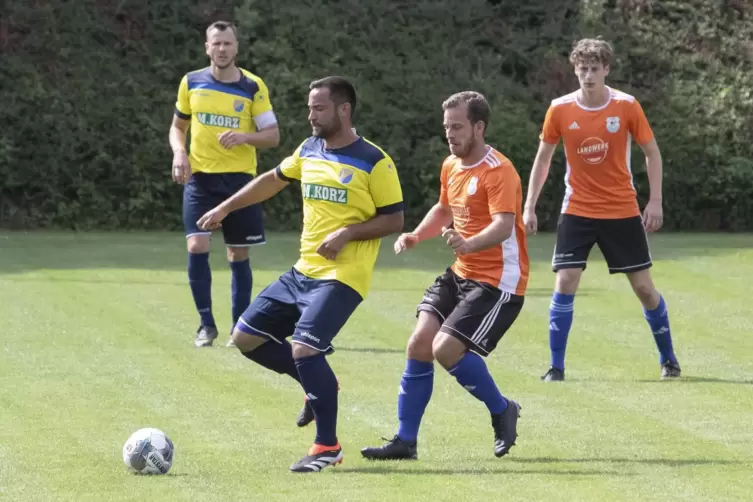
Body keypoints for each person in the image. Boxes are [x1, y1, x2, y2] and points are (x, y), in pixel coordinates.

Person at [197, 76, 404, 472]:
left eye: (319, 108)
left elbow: (394, 218)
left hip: (342, 276)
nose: (311, 115)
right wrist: (226, 208)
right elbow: (272, 181)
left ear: (343, 110)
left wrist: (348, 233)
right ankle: (317, 387)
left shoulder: (374, 160)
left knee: (305, 349)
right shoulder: (309, 149)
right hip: (302, 271)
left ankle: (328, 447)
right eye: (310, 107)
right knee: (245, 337)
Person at [360, 91, 529, 461]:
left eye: (457, 126)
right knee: (420, 344)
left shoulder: (499, 170)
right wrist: (416, 235)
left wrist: (468, 244)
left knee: (445, 349)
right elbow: (444, 208)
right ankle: (405, 441)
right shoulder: (451, 164)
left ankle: (502, 409)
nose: (450, 134)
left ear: (478, 127)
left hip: (497, 280)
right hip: (461, 272)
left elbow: (503, 227)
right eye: (446, 127)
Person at [522, 38, 681, 381]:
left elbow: (652, 152)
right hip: (577, 208)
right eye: (583, 69)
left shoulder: (626, 106)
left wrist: (655, 201)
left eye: (595, 68)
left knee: (643, 288)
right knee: (565, 281)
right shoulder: (560, 109)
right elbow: (544, 158)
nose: (589, 75)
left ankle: (669, 359)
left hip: (621, 209)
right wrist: (529, 205)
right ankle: (556, 368)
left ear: (607, 70)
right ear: (575, 70)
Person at [169, 21, 280, 348]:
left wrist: (245, 136)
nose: (222, 49)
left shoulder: (252, 86)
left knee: (237, 253)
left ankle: (239, 328)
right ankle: (206, 325)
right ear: (207, 47)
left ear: (236, 47)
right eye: (216, 44)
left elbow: (272, 136)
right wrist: (179, 153)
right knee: (196, 245)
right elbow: (178, 127)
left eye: (227, 44)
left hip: (241, 183)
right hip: (201, 179)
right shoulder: (191, 82)